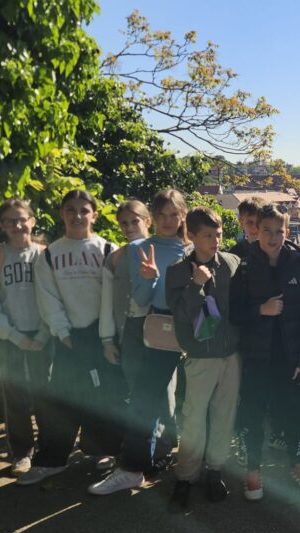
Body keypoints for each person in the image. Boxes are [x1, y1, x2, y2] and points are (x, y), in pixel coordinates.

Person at [17, 189, 120, 486]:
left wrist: (108, 336)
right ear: (62, 214)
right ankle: (53, 460)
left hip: (102, 336)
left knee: (105, 396)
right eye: (71, 210)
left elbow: (116, 297)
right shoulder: (49, 255)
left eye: (84, 210)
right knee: (62, 400)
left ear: (94, 215)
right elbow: (47, 298)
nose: (77, 216)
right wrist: (63, 333)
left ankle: (104, 451)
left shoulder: (108, 249)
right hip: (69, 338)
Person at [90, 189, 189, 495]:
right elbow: (143, 298)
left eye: (173, 214)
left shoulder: (190, 248)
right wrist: (150, 278)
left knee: (166, 399)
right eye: (161, 215)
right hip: (155, 328)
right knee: (144, 398)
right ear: (153, 217)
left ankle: (152, 462)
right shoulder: (138, 249)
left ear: (183, 216)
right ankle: (135, 466)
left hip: (187, 331)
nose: (167, 221)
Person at [230, 203, 300, 498]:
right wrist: (260, 310)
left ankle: (298, 463)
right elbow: (233, 313)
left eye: (278, 231)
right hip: (257, 355)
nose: (272, 237)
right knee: (253, 412)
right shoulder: (244, 265)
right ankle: (253, 470)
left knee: (293, 412)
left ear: (287, 232)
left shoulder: (296, 262)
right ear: (256, 231)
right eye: (266, 230)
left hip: (290, 356)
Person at [166, 207, 242, 509]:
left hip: (230, 354)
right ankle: (186, 475)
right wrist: (195, 284)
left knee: (224, 414)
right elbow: (180, 313)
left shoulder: (231, 263)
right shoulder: (178, 271)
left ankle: (215, 469)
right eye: (208, 235)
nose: (215, 241)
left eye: (218, 234)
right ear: (192, 236)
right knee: (194, 417)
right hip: (200, 356)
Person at [0, 199, 50, 477]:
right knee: (15, 396)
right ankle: (22, 453)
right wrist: (15, 336)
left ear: (32, 221)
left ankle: (49, 449)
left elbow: (55, 298)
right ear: (2, 226)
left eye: (22, 219)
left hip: (45, 335)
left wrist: (43, 333)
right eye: (10, 221)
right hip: (9, 336)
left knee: (47, 394)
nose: (18, 225)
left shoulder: (45, 255)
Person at [98, 200, 151, 471]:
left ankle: (159, 448)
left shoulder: (163, 249)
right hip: (127, 329)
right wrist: (107, 339)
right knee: (134, 390)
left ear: (147, 221)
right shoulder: (115, 258)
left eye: (135, 221)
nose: (129, 227)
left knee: (163, 393)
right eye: (124, 223)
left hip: (157, 330)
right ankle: (137, 450)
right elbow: (106, 303)